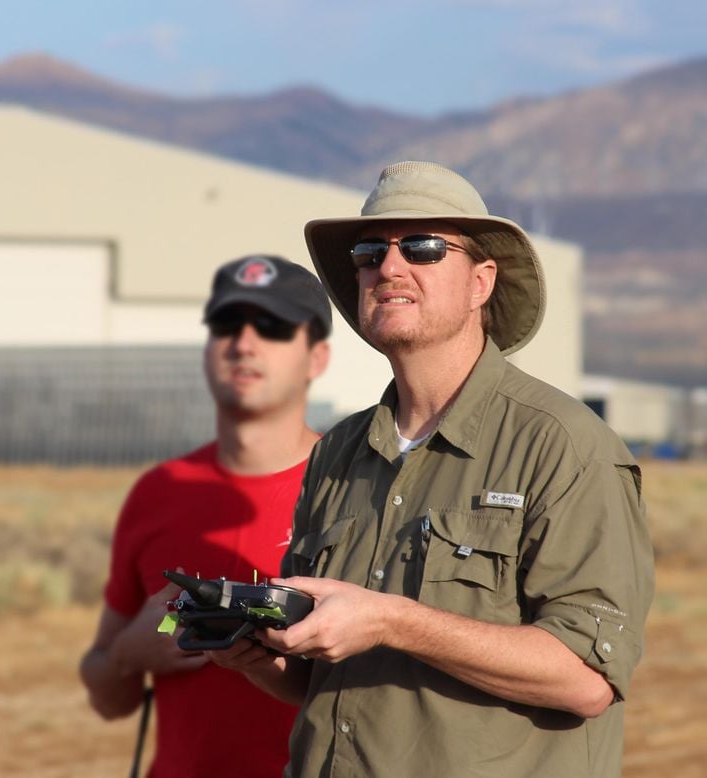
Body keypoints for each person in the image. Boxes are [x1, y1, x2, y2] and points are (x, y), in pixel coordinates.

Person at [209, 161, 655, 777]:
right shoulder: (336, 453)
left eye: (422, 248)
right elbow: (316, 679)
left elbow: (586, 678)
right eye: (370, 253)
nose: (389, 268)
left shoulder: (564, 447)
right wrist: (257, 652)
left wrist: (391, 620)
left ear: (481, 282)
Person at [79, 254, 333, 778]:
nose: (244, 343)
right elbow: (108, 696)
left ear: (317, 358)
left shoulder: (358, 488)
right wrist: (129, 653)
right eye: (226, 325)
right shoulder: (160, 491)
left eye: (273, 327)